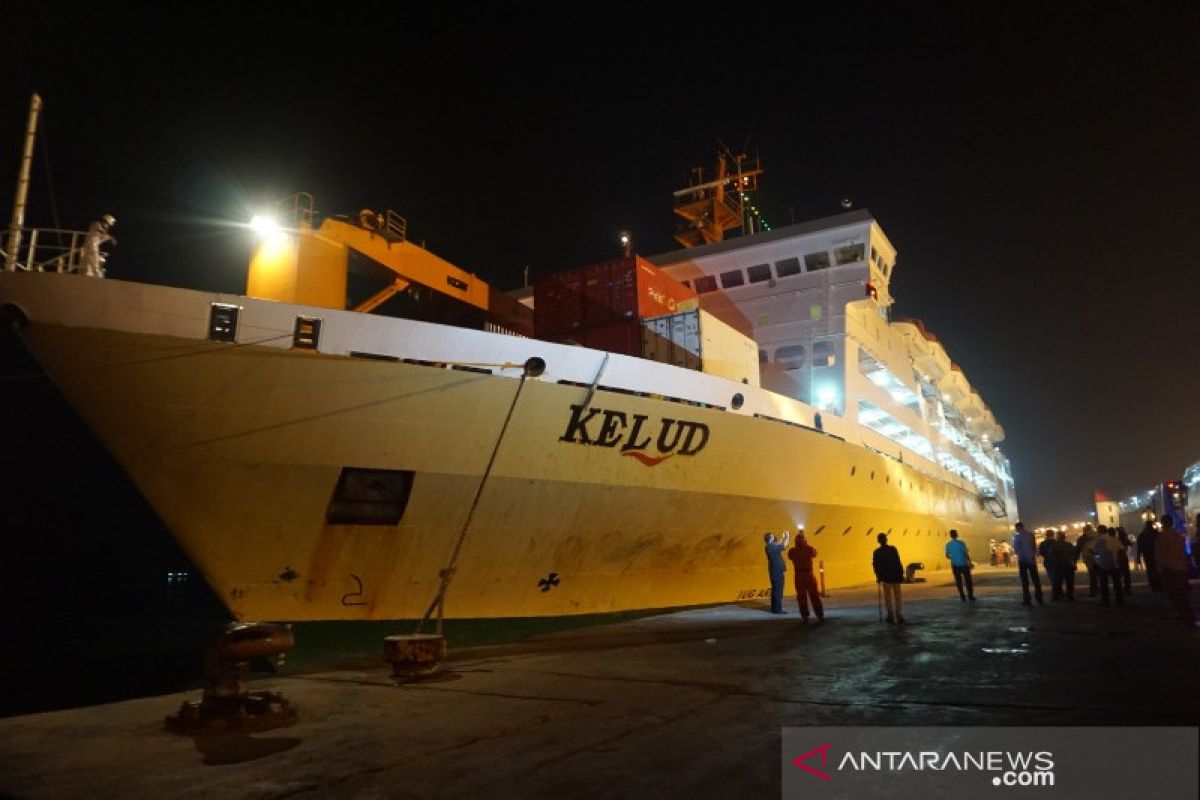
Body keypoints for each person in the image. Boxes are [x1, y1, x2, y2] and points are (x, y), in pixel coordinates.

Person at [1154, 515, 1196, 626]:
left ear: (1163, 523)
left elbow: (1160, 556)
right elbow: (1186, 552)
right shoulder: (1179, 536)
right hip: (1181, 567)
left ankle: (1182, 614)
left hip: (1169, 569)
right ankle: (1188, 615)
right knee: (1183, 593)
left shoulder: (1161, 537)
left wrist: (1159, 569)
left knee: (1173, 593)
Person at [787, 529, 824, 622]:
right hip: (809, 574)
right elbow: (815, 553)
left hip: (798, 575)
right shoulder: (809, 549)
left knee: (801, 596)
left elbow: (790, 556)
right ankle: (819, 614)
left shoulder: (792, 551)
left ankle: (805, 616)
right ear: (805, 540)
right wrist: (806, 544)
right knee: (814, 594)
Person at [872, 532, 905, 624]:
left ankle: (890, 616)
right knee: (897, 596)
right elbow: (898, 562)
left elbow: (876, 566)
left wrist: (878, 576)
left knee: (888, 597)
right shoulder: (893, 549)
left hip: (885, 577)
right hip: (895, 576)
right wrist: (901, 574)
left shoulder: (876, 552)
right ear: (886, 540)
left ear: (878, 541)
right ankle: (899, 615)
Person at [1012, 521, 1043, 606]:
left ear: (1018, 528)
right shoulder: (1030, 535)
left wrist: (1019, 552)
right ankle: (1039, 599)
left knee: (1025, 581)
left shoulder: (1016, 537)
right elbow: (1034, 546)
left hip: (1022, 560)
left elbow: (1015, 549)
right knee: (1036, 580)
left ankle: (1027, 600)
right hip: (1031, 560)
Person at [1092, 525, 1124, 607]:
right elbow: (1121, 550)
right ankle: (1119, 600)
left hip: (1103, 565)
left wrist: (1096, 559)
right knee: (1117, 584)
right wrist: (1119, 560)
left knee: (1104, 584)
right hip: (1115, 564)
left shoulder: (1098, 540)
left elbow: (1097, 553)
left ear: (1099, 531)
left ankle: (1106, 601)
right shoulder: (1114, 539)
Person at [944, 529, 975, 602]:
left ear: (950, 535)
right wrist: (970, 562)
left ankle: (962, 597)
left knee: (958, 581)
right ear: (957, 534)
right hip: (964, 564)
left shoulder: (948, 544)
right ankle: (970, 596)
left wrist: (953, 557)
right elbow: (965, 554)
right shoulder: (961, 543)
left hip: (955, 565)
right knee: (968, 581)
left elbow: (947, 556)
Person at [763, 530, 790, 614]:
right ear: (770, 539)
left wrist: (782, 537)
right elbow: (783, 546)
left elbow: (778, 544)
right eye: (772, 536)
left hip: (775, 571)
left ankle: (774, 608)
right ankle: (778, 610)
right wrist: (787, 537)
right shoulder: (770, 547)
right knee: (778, 590)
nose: (774, 536)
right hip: (777, 572)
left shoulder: (769, 546)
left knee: (775, 590)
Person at [1136, 520, 1161, 592]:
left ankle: (1153, 584)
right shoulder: (1156, 533)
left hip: (1147, 555)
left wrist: (1138, 557)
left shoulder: (1142, 535)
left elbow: (1139, 547)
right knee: (1157, 569)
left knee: (1150, 570)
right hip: (1156, 555)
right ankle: (1158, 584)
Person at [1076, 525, 1098, 596]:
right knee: (1100, 573)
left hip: (1089, 557)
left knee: (1092, 574)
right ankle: (1099, 588)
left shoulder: (1082, 538)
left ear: (1084, 530)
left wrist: (1075, 559)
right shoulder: (1097, 535)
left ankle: (1093, 591)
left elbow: (1078, 548)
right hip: (1098, 556)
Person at [1055, 529, 1077, 600]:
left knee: (1058, 582)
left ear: (1058, 537)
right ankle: (1070, 596)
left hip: (1059, 567)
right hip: (1068, 566)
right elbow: (1074, 555)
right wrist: (1073, 563)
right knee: (1070, 582)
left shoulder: (1055, 546)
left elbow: (1051, 555)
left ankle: (1059, 595)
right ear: (1064, 537)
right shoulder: (1069, 544)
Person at [1038, 529, 1060, 599]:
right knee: (1057, 577)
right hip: (1057, 562)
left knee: (1051, 577)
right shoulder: (1056, 542)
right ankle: (1057, 593)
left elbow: (1041, 553)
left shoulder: (1043, 543)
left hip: (1048, 562)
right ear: (1053, 535)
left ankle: (1055, 593)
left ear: (1046, 535)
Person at [1116, 526, 1133, 594]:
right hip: (1123, 556)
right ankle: (1127, 589)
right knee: (1126, 574)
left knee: (1120, 573)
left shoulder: (1117, 537)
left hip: (1119, 556)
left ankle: (1119, 588)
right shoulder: (1123, 537)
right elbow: (1129, 543)